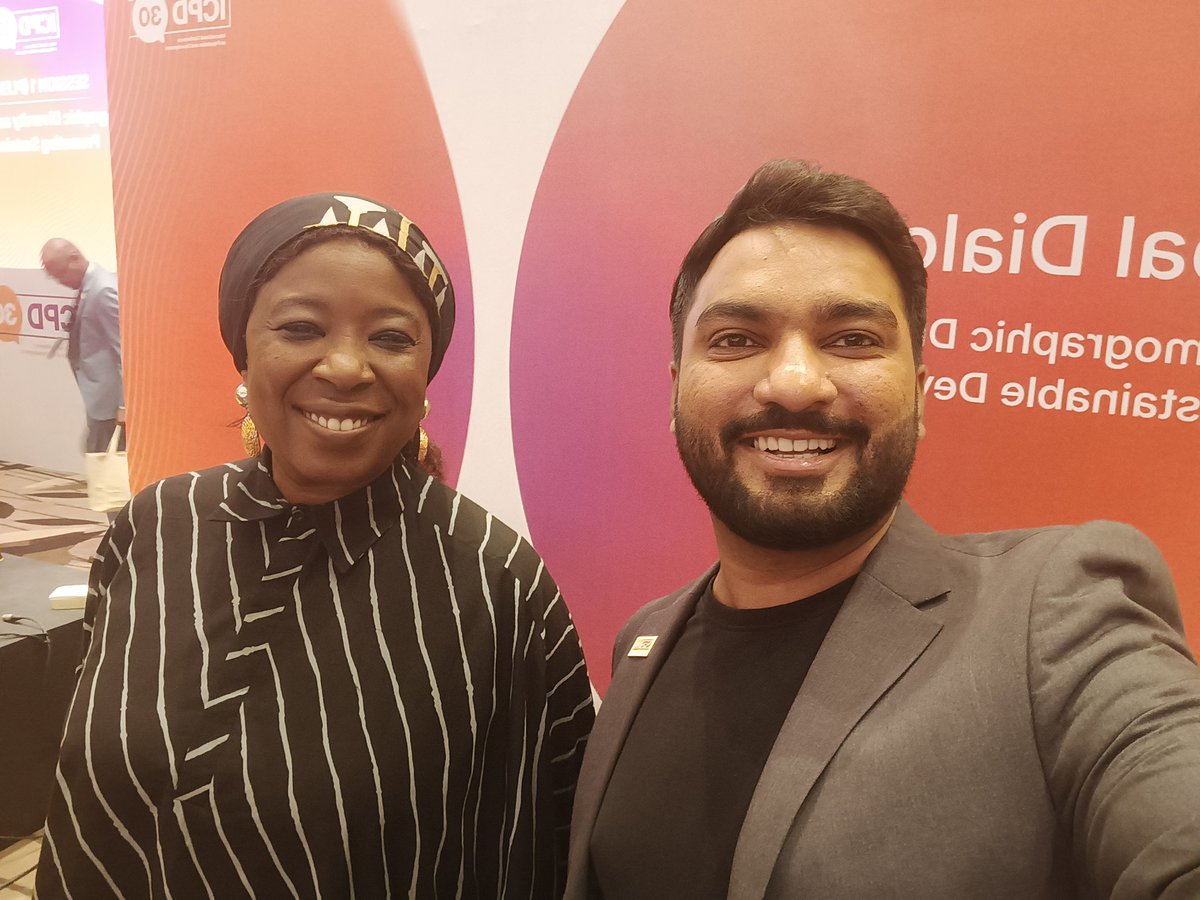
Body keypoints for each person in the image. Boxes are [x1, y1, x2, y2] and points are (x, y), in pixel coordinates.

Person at [565, 160, 1200, 899]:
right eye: (737, 340)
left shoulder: (1056, 615)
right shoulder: (643, 643)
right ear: (676, 388)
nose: (796, 381)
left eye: (853, 340)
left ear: (922, 393)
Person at [38, 193, 595, 898]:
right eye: (301, 328)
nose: (344, 367)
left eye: (390, 338)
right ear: (245, 350)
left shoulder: (495, 585)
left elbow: (546, 838)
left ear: (427, 372)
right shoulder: (155, 526)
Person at [40, 239, 125, 453]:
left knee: (104, 465)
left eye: (59, 272)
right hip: (99, 400)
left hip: (111, 406)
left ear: (74, 258)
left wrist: (125, 406)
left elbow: (123, 352)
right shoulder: (89, 286)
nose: (58, 280)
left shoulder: (103, 290)